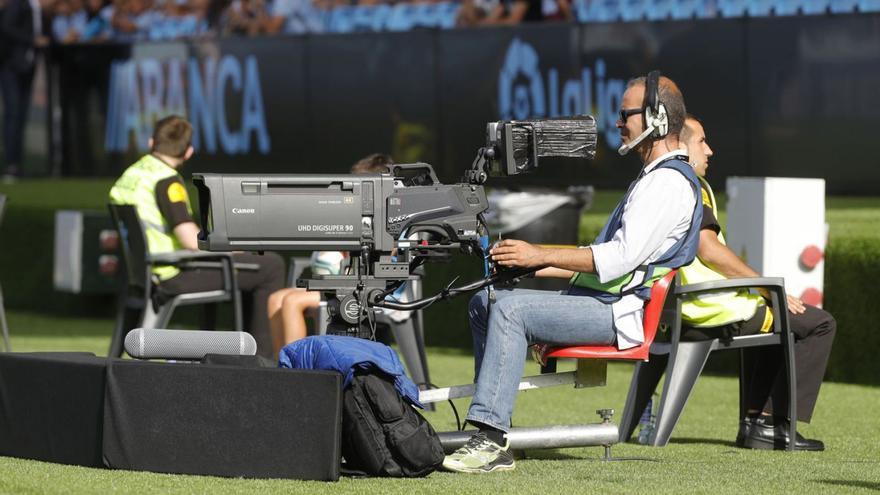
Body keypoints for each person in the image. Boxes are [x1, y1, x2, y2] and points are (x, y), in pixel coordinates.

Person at [442, 73, 702, 474]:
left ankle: (490, 440)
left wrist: (537, 253)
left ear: (656, 118)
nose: (616, 123)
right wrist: (531, 262)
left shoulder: (666, 183)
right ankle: (497, 424)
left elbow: (617, 261)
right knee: (486, 302)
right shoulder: (655, 179)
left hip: (619, 312)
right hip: (606, 301)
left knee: (512, 312)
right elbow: (613, 262)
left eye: (624, 115)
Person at [674, 115, 835, 450]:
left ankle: (754, 422)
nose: (710, 150)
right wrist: (763, 284)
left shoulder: (659, 185)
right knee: (819, 324)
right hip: (707, 309)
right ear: (680, 146)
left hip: (681, 309)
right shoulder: (689, 185)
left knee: (773, 315)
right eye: (701, 141)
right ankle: (769, 424)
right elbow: (709, 249)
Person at [109, 115, 284, 359]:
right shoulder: (167, 181)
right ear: (188, 152)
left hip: (145, 273)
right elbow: (191, 240)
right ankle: (262, 360)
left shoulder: (132, 174)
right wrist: (233, 248)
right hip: (171, 273)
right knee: (269, 266)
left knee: (248, 267)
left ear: (151, 142)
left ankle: (242, 356)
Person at [267, 153, 394, 358]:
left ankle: (297, 369)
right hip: (337, 283)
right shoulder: (352, 216)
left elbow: (386, 257)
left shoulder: (388, 219)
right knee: (276, 299)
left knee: (292, 301)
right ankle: (278, 365)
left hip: (364, 288)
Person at [0, 0, 45, 181]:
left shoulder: (36, 7)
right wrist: (32, 40)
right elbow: (6, 27)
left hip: (28, 66)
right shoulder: (18, 4)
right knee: (13, 113)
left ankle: (17, 164)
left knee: (21, 115)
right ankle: (11, 164)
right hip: (11, 65)